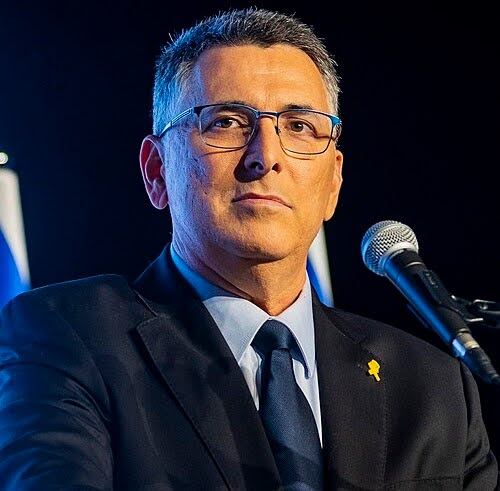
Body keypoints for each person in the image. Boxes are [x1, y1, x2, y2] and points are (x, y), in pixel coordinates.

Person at [0, 7, 498, 490]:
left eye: (299, 126)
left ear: (333, 183)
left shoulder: (433, 387)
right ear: (157, 172)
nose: (267, 156)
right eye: (226, 122)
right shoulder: (68, 337)